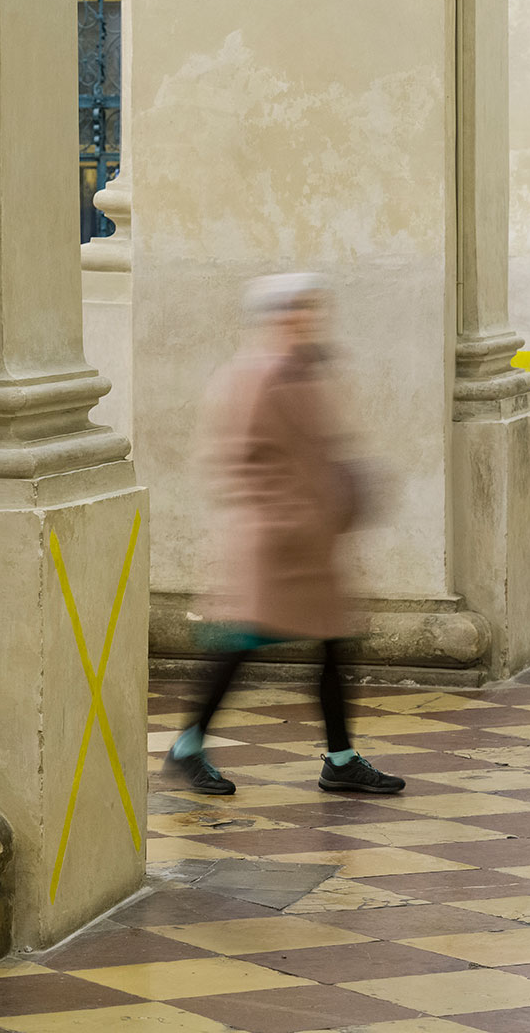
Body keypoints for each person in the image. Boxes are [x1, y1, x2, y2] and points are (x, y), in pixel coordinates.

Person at [166, 273, 405, 797]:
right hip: (274, 544)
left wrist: (343, 496)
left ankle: (340, 759)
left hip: (311, 544)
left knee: (334, 643)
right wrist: (289, 516)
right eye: (297, 309)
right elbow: (235, 460)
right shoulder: (253, 376)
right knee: (239, 646)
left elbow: (322, 451)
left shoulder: (306, 371)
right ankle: (186, 746)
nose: (307, 318)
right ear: (275, 317)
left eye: (312, 308)